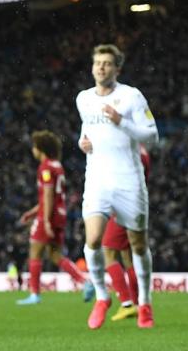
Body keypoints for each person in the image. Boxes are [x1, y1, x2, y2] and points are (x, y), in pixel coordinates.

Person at [76, 44, 158, 329]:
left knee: (138, 244)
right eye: (98, 63)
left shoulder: (131, 96)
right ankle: (102, 296)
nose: (101, 67)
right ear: (92, 67)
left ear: (117, 69)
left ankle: (145, 304)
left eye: (107, 63)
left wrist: (120, 121)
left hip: (128, 181)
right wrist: (81, 143)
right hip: (97, 179)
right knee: (93, 241)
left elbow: (152, 135)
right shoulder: (83, 99)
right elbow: (86, 132)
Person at [15, 130, 93, 305]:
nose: (33, 151)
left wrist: (45, 220)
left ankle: (34, 294)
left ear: (40, 149)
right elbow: (50, 198)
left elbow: (48, 195)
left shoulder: (45, 168)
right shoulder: (57, 165)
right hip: (60, 214)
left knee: (35, 252)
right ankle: (85, 282)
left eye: (34, 147)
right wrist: (32, 212)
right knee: (55, 254)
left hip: (48, 217)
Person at [102, 144, 150, 321]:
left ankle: (126, 303)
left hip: (123, 205)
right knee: (128, 256)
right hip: (138, 203)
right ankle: (137, 303)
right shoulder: (142, 150)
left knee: (108, 252)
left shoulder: (126, 149)